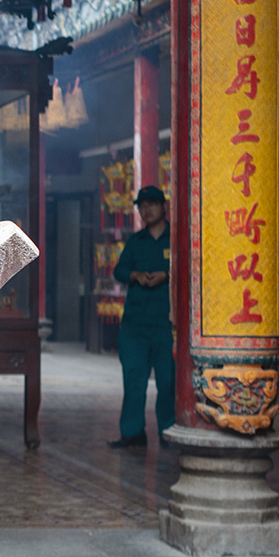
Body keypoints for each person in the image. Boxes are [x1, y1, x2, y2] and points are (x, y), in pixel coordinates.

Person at [108, 185, 175, 449]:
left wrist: (166, 275)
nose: (146, 210)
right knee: (134, 379)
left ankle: (169, 432)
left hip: (166, 323)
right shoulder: (136, 241)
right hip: (135, 324)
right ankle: (132, 433)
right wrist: (135, 275)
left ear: (163, 207)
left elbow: (191, 269)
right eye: (142, 206)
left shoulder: (176, 239)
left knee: (168, 381)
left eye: (151, 205)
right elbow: (119, 271)